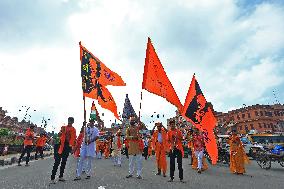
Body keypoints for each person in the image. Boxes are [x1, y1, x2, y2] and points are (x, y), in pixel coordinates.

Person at [50, 117, 76, 184]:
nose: (69, 122)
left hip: (67, 147)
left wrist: (71, 148)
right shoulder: (63, 127)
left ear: (73, 122)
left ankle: (61, 176)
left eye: (71, 121)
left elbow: (72, 139)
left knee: (63, 162)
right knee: (57, 162)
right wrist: (60, 133)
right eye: (69, 121)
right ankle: (52, 178)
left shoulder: (73, 129)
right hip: (60, 145)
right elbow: (59, 134)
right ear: (68, 121)